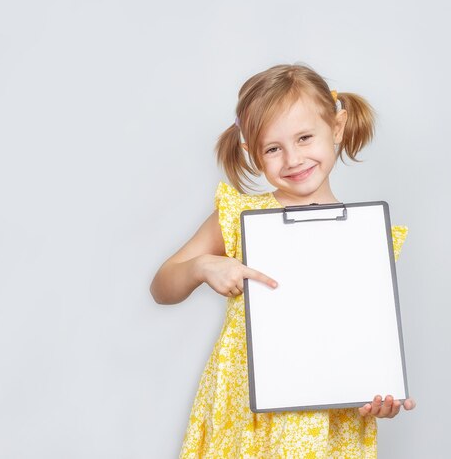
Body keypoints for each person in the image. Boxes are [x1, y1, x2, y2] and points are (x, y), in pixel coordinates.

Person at [150, 63, 416, 458]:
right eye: (273, 148)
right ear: (252, 154)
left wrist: (381, 393)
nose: (292, 159)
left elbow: (366, 335)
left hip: (329, 425)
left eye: (305, 137)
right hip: (246, 419)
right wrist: (201, 266)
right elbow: (162, 285)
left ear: (337, 128)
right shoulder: (238, 219)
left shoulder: (363, 236)